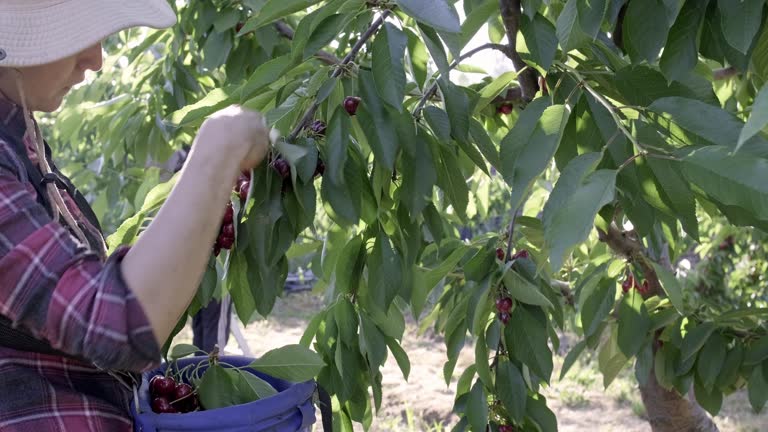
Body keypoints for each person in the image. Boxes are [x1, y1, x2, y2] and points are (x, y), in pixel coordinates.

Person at [0, 1, 271, 430]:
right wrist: (220, 145)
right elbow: (109, 324)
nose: (96, 59)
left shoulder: (21, 138)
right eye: (75, 36)